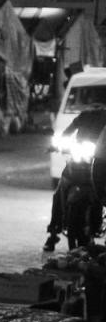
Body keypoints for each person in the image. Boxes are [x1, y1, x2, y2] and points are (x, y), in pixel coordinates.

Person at [44, 107, 106, 251]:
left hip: (99, 164)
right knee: (59, 192)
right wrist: (57, 144)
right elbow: (67, 133)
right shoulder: (83, 116)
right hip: (77, 162)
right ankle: (53, 232)